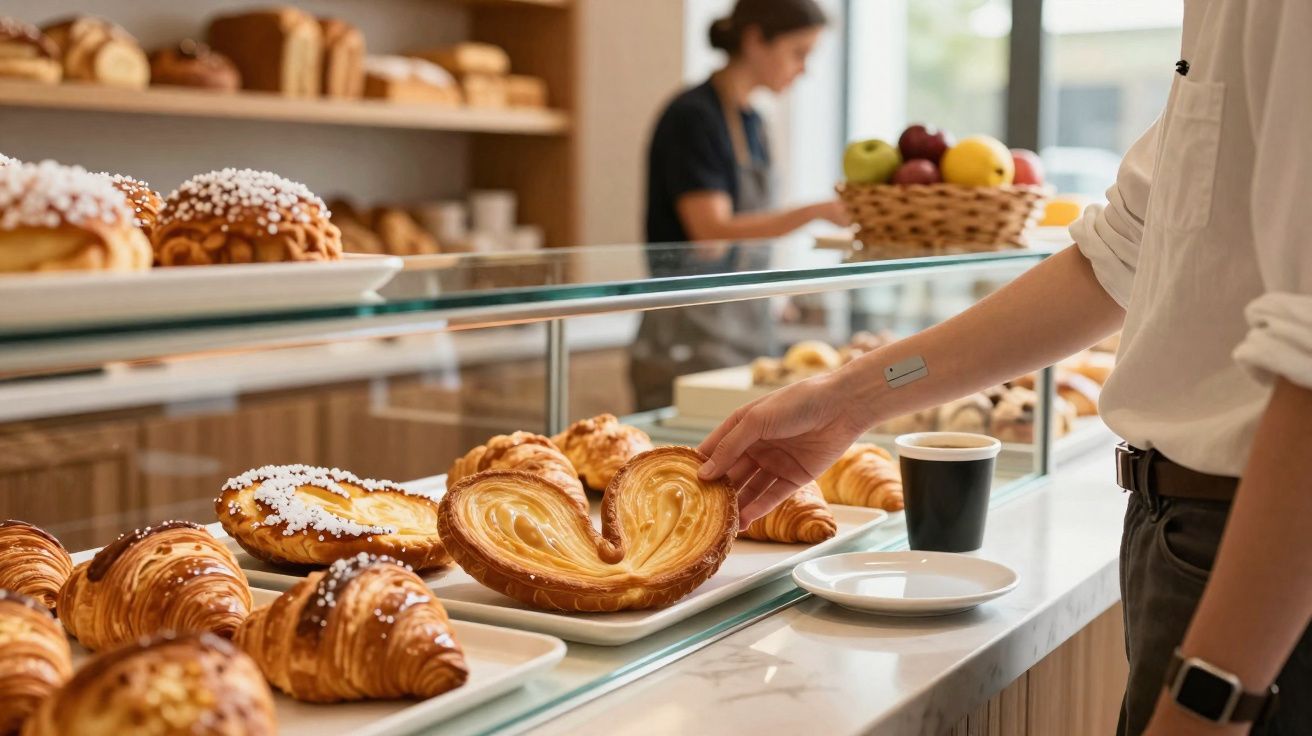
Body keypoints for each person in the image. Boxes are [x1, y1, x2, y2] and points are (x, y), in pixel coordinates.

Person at [697, 2, 1311, 735]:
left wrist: (1208, 706)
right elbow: (1116, 258)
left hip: (1256, 559)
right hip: (1180, 538)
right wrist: (847, 399)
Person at [630, 0, 849, 411]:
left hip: (743, 337)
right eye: (798, 53)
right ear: (754, 41)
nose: (804, 69)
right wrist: (813, 212)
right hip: (686, 340)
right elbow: (710, 229)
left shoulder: (755, 123)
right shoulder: (693, 117)